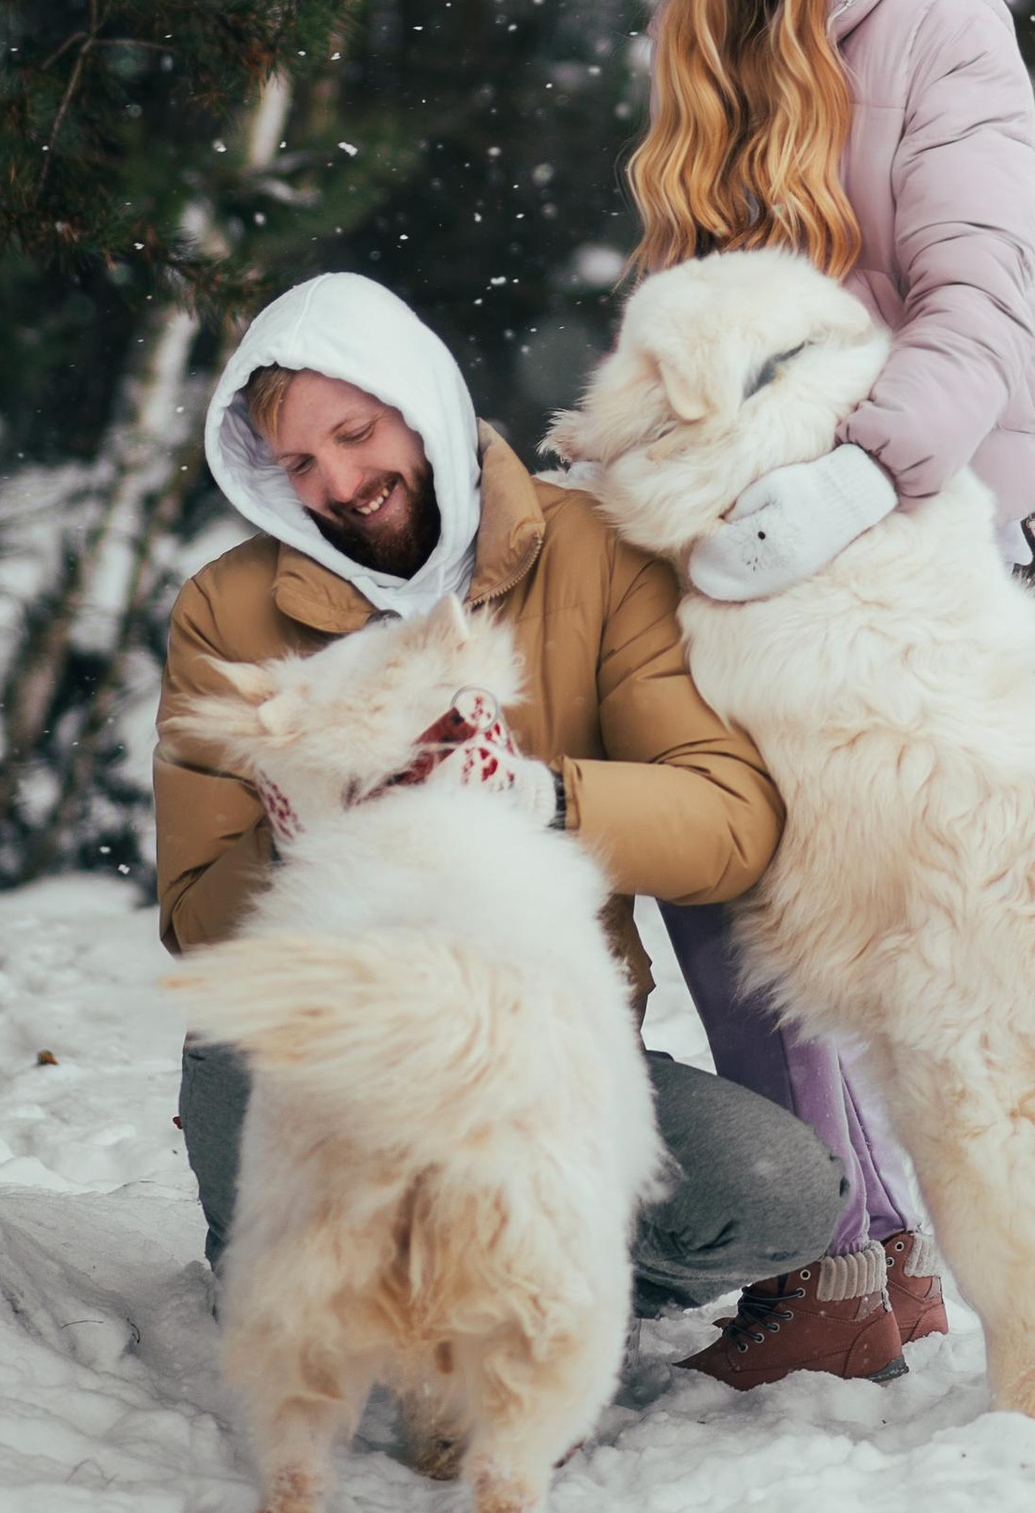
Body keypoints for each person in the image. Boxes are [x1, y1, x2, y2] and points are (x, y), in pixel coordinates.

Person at [155, 270, 849, 1338]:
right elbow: (199, 911)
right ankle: (337, 1278)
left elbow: (732, 821)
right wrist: (322, 834)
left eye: (356, 433)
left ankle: (522, 1277)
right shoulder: (230, 610)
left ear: (420, 404)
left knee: (777, 1192)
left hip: (543, 1053)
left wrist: (534, 797)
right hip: (331, 1049)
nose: (339, 481)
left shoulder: (598, 554)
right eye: (298, 462)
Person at [628, 0, 1035, 1388]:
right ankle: (861, 1252)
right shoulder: (716, 19)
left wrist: (852, 475)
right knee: (701, 827)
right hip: (751, 524)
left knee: (747, 848)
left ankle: (843, 1261)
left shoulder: (946, 22)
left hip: (898, 528)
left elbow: (983, 315)